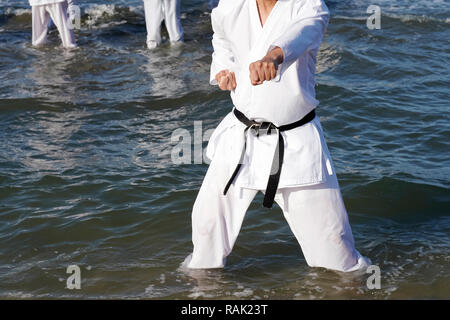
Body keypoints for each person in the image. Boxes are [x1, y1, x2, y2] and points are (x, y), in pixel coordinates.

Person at [182, 0, 371, 272]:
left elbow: (302, 33)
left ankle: (354, 289)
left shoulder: (309, 6)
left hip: (295, 142)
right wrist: (224, 68)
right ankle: (203, 294)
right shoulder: (231, 5)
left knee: (334, 246)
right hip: (241, 137)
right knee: (207, 228)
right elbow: (221, 38)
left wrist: (274, 56)